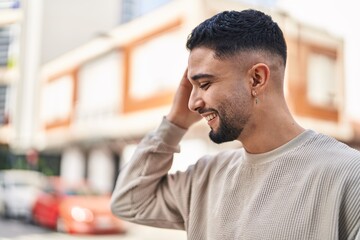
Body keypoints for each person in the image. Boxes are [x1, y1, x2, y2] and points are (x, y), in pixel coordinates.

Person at [111, 9, 360, 239]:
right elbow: (128, 201)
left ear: (256, 78)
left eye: (205, 84)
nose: (192, 103)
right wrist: (174, 123)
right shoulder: (205, 177)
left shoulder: (348, 176)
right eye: (192, 86)